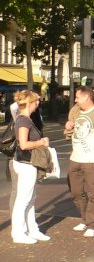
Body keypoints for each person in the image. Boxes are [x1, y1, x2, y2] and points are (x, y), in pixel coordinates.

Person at [67, 86, 94, 238]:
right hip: (75, 158)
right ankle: (85, 219)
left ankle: (93, 224)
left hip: (91, 160)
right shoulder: (77, 111)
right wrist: (68, 126)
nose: (75, 99)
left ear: (86, 98)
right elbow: (70, 125)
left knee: (93, 194)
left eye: (78, 97)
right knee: (76, 192)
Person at [10, 91, 50, 244]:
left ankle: (32, 229)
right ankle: (18, 233)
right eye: (35, 101)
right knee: (23, 199)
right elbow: (24, 144)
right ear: (29, 103)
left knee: (30, 198)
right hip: (26, 163)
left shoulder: (25, 118)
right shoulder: (23, 120)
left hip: (28, 163)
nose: (37, 103)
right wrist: (41, 142)